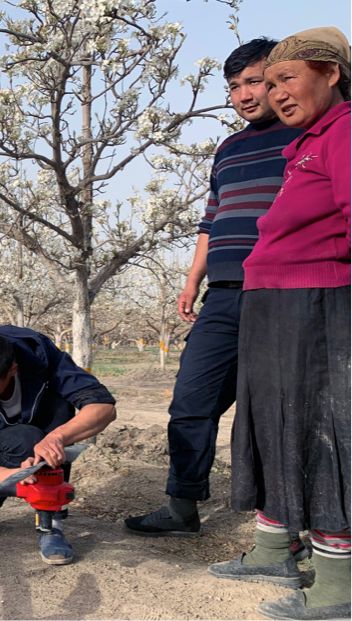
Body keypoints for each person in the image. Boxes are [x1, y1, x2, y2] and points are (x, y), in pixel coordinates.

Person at [125, 39, 304, 540]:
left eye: (254, 82)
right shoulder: (228, 149)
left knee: (275, 407)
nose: (245, 95)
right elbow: (211, 218)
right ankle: (182, 506)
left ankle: (292, 521)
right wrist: (191, 279)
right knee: (190, 399)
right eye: (234, 88)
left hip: (280, 292)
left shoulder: (306, 136)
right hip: (222, 295)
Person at [206, 27, 350, 620]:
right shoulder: (305, 144)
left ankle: (339, 583)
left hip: (312, 302)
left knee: (319, 429)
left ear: (331, 74)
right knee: (275, 426)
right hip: (273, 303)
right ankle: (276, 545)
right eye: (272, 84)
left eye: (288, 79)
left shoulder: (344, 132)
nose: (277, 93)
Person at [0, 326, 117, 565]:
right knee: (25, 439)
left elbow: (103, 408)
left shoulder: (41, 355)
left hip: (44, 433)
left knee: (57, 413)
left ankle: (51, 524)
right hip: (0, 444)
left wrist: (56, 438)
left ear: (12, 370)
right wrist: (16, 476)